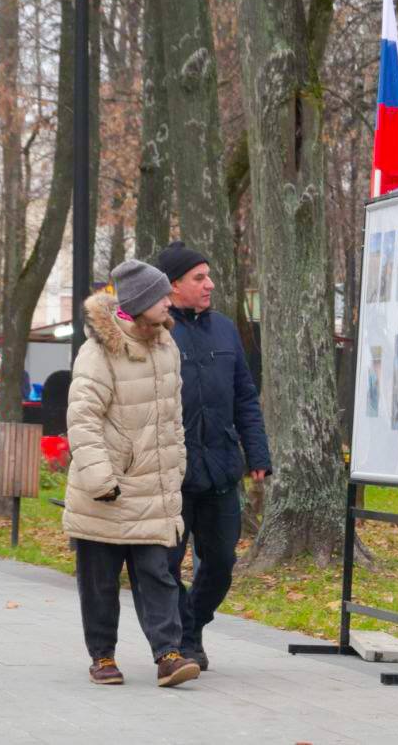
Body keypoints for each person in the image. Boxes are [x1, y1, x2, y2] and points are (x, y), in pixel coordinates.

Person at [62, 258, 200, 689]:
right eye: (161, 296)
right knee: (99, 581)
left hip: (153, 487)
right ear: (140, 302)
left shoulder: (166, 347)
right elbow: (83, 417)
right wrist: (101, 479)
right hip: (108, 489)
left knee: (159, 573)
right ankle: (102, 657)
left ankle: (169, 655)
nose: (169, 301)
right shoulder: (98, 351)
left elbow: (172, 419)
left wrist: (176, 468)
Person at [155, 241, 272, 672]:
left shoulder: (225, 329)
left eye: (209, 275)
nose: (210, 284)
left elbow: (245, 394)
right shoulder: (158, 330)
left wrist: (256, 451)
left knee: (221, 560)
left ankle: (192, 625)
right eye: (199, 278)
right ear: (173, 286)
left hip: (222, 466)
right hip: (171, 471)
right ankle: (180, 641)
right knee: (165, 565)